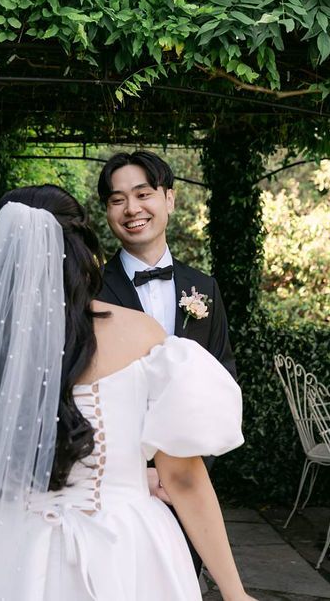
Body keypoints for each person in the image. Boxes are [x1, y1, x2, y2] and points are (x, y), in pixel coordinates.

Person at [0, 184, 255, 600]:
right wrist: (234, 593)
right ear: (81, 252)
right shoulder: (140, 336)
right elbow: (183, 478)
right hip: (121, 554)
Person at [96, 151, 236, 575]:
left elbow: (222, 381)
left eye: (143, 194)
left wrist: (190, 469)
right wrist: (136, 473)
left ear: (169, 199)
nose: (132, 209)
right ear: (107, 211)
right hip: (115, 493)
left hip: (188, 487)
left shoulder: (204, 287)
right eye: (118, 199)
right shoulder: (90, 290)